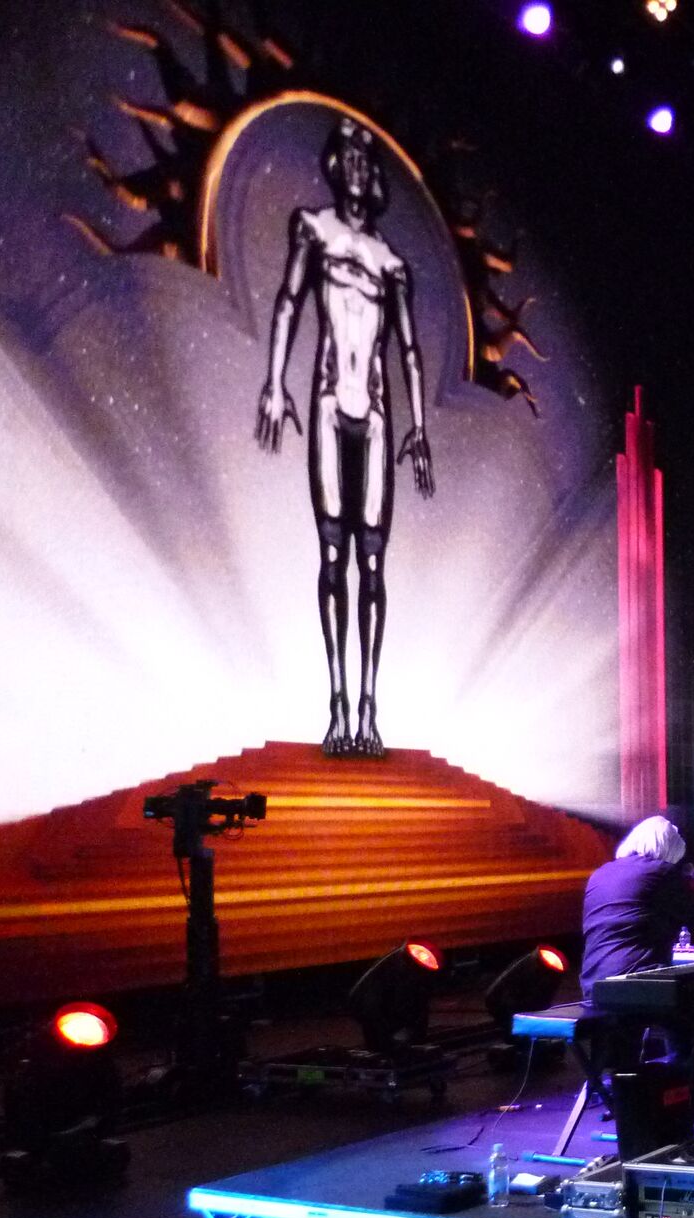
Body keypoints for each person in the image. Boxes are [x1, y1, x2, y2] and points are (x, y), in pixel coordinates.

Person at [257, 117, 436, 758]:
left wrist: (420, 425)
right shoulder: (314, 228)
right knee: (334, 555)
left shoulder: (391, 263)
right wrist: (274, 382)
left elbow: (409, 350)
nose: (358, 168)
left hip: (378, 413)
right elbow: (287, 301)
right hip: (332, 403)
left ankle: (368, 708)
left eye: (366, 160)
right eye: (349, 158)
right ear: (336, 167)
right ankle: (337, 704)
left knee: (373, 563)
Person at [578, 816, 694, 997]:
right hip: (638, 982)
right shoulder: (662, 872)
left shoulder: (600, 874)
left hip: (593, 984)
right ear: (668, 850)